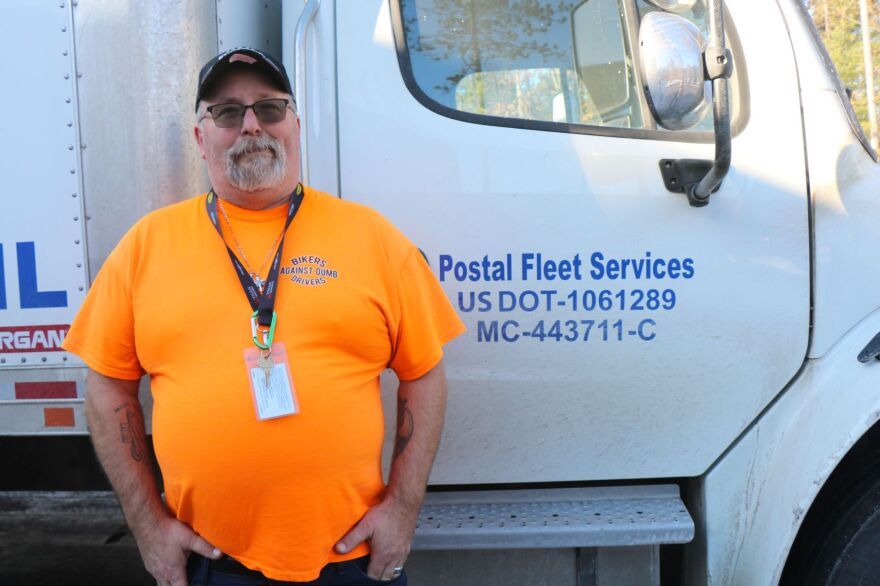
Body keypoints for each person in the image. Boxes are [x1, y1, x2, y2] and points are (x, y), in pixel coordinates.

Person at [62, 47, 465, 586]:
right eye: (227, 112)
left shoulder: (373, 238)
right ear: (201, 138)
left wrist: (404, 506)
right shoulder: (145, 246)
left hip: (351, 562)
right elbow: (107, 387)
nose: (251, 125)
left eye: (269, 108)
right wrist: (147, 524)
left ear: (295, 125)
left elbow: (424, 373)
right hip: (210, 564)